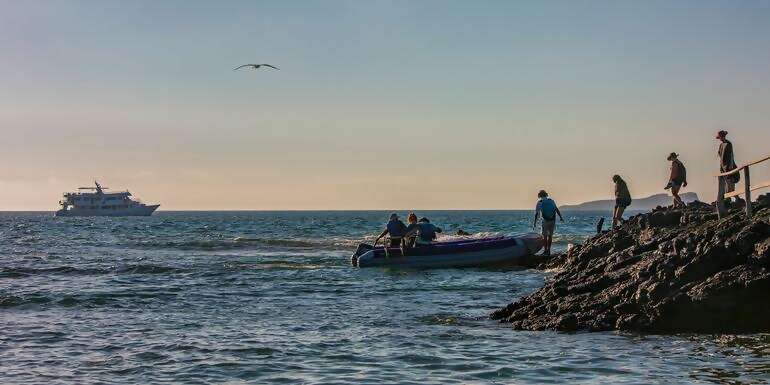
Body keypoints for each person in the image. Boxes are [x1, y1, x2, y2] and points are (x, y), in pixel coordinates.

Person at [532, 190, 564, 256]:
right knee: (550, 236)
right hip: (552, 220)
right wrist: (561, 217)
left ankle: (545, 250)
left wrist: (534, 223)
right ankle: (549, 251)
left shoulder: (539, 202)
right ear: (546, 195)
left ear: (540, 195)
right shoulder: (551, 201)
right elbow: (556, 209)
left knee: (545, 236)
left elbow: (537, 214)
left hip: (545, 221)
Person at [716, 130, 740, 201]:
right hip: (724, 169)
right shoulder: (721, 145)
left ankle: (735, 200)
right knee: (728, 186)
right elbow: (721, 157)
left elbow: (731, 156)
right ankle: (735, 200)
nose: (720, 138)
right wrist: (721, 168)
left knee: (730, 186)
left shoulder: (728, 144)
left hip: (729, 168)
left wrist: (730, 168)